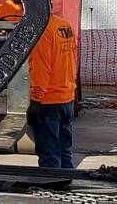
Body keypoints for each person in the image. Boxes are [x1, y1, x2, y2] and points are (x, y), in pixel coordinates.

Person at [27, 9, 79, 168]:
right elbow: (72, 59)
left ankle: (52, 183)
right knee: (64, 147)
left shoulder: (41, 30)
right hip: (66, 97)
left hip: (48, 101)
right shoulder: (64, 25)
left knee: (49, 149)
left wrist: (35, 101)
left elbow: (41, 69)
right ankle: (65, 178)